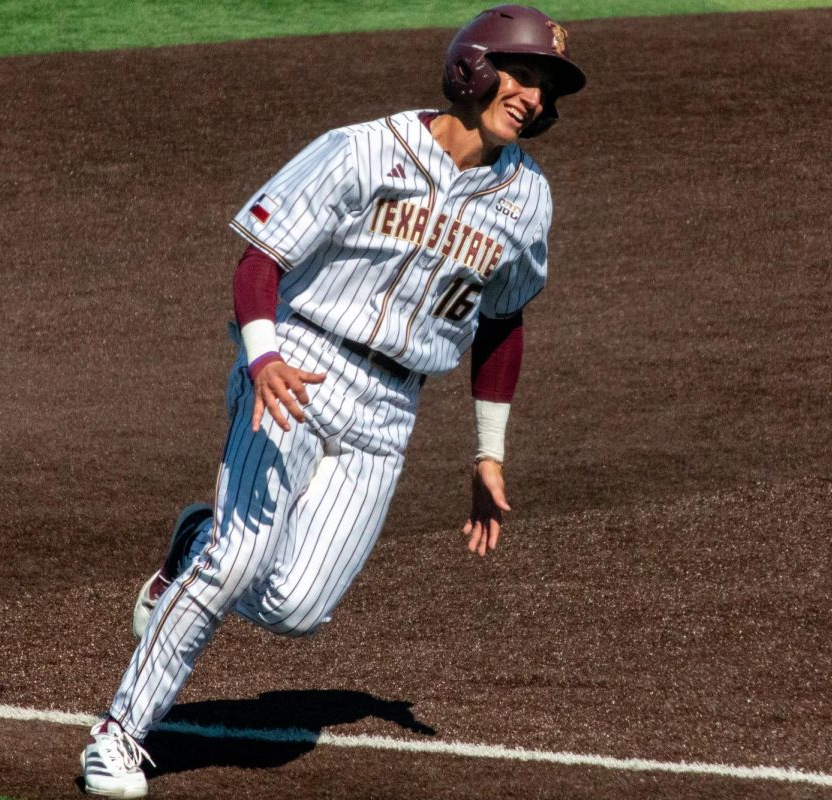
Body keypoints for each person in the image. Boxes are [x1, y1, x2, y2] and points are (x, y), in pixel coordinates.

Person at [80, 5, 586, 796]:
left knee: (296, 608)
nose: (533, 97)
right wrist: (264, 356)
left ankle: (190, 544)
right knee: (238, 560)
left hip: (391, 405)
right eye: (523, 75)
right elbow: (260, 260)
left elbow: (504, 321)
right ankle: (120, 734)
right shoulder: (362, 151)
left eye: (548, 88)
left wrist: (488, 454)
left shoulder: (527, 200)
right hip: (296, 363)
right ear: (474, 68)